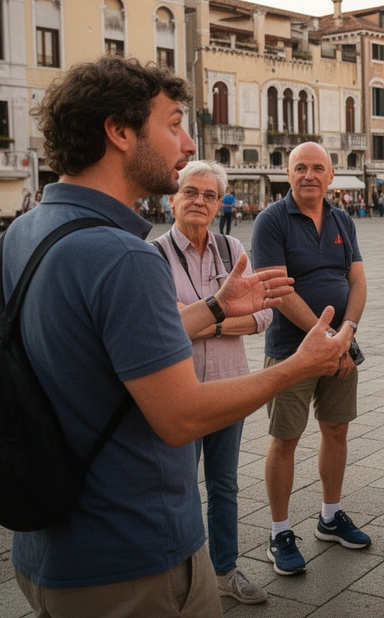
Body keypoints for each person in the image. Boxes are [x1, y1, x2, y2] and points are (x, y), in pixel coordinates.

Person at [0, 56, 352, 616]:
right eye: (173, 123)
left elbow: (103, 347)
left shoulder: (22, 234)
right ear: (119, 132)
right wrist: (297, 366)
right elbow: (181, 416)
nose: (186, 143)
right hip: (134, 554)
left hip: (47, 547)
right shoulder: (126, 256)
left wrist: (212, 307)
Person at [152, 160, 272, 605]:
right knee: (177, 489)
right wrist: (223, 312)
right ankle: (179, 577)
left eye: (209, 195)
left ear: (221, 202)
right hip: (181, 392)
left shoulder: (231, 246)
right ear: (173, 199)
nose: (200, 201)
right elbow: (163, 327)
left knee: (224, 485)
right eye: (191, 192)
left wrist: (203, 319)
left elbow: (263, 314)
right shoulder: (154, 255)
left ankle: (224, 570)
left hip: (229, 386)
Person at [251, 142, 370, 577]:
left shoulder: (341, 220)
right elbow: (278, 291)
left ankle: (330, 516)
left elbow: (357, 281)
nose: (309, 175)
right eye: (300, 167)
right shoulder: (271, 221)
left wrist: (346, 335)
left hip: (341, 346)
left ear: (331, 175)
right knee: (286, 438)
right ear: (288, 174)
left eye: (318, 168)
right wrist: (325, 340)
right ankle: (279, 532)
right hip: (291, 351)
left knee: (336, 430)